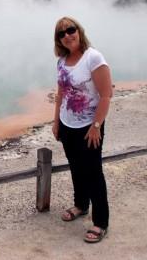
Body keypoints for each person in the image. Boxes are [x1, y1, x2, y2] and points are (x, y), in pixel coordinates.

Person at [52, 16, 113, 243]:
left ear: (79, 30)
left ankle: (101, 222)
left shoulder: (93, 58)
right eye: (61, 33)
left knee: (93, 172)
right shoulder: (61, 61)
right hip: (67, 123)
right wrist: (56, 121)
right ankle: (80, 205)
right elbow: (61, 94)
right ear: (58, 39)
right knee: (76, 167)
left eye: (70, 29)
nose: (67, 35)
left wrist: (96, 125)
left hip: (89, 126)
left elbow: (106, 95)